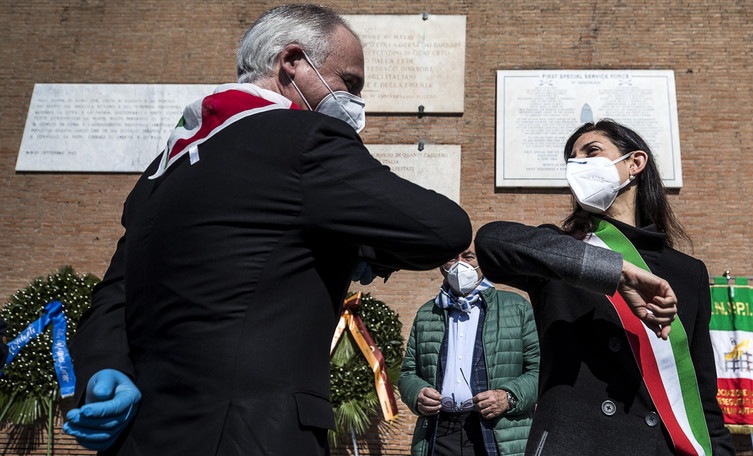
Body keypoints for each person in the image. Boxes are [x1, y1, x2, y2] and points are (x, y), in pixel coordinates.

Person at [62, 4, 471, 455]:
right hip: (255, 435)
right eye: (349, 82)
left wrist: (104, 368)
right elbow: (442, 228)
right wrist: (357, 243)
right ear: (291, 61)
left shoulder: (161, 171)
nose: (355, 101)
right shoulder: (302, 138)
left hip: (143, 437)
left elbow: (115, 294)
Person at [475, 119, 734, 455]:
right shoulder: (559, 252)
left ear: (634, 163)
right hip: (576, 444)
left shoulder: (688, 272)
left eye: (591, 151)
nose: (577, 165)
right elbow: (490, 242)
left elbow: (700, 388)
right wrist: (612, 270)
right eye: (571, 159)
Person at [399, 241, 540, 456]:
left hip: (497, 432)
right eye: (452, 258)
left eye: (468, 256)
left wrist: (508, 397)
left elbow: (540, 371)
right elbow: (408, 373)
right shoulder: (427, 313)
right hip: (440, 432)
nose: (459, 264)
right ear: (441, 266)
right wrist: (417, 394)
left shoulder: (517, 307)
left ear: (482, 263)